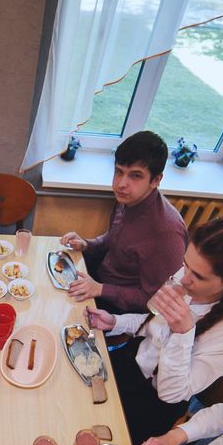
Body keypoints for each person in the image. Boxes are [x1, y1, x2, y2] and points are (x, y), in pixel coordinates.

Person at [86, 217, 223, 445]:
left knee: (91, 441)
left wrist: (182, 333)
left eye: (199, 276)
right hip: (129, 363)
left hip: (152, 403)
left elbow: (171, 393)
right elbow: (153, 324)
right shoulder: (187, 275)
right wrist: (116, 322)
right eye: (185, 264)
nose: (185, 277)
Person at [59, 130, 188, 313]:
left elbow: (156, 301)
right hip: (102, 277)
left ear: (156, 180)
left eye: (135, 175)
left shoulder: (166, 233)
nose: (121, 184)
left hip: (120, 309)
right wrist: (87, 244)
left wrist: (100, 289)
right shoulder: (128, 199)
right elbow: (113, 239)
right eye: (119, 172)